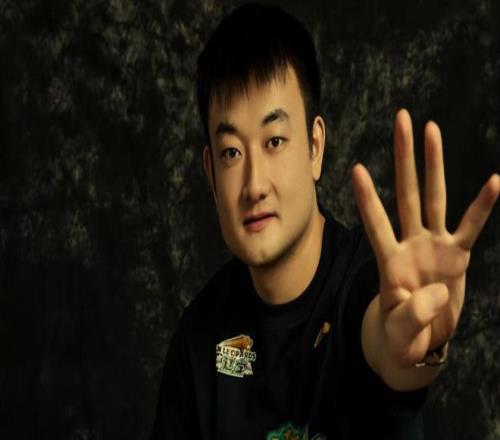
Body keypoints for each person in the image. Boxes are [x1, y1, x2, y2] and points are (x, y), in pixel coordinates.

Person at [151, 3, 499, 439]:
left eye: (275, 141)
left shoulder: (366, 286)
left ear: (314, 147)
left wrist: (415, 351)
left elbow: (387, 338)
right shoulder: (199, 335)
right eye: (232, 152)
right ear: (210, 172)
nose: (254, 185)